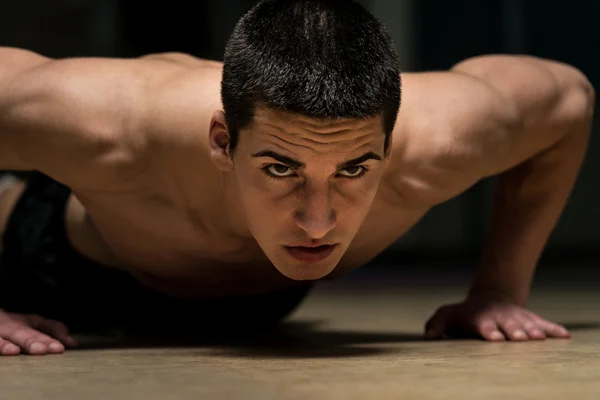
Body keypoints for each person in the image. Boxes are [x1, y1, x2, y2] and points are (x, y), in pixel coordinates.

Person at [0, 0, 594, 356]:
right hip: (69, 261)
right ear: (222, 142)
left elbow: (570, 98)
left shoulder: (442, 139)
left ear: (389, 144)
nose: (319, 220)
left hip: (265, 300)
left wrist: (499, 289)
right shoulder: (112, 125)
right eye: (280, 168)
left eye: (354, 169)